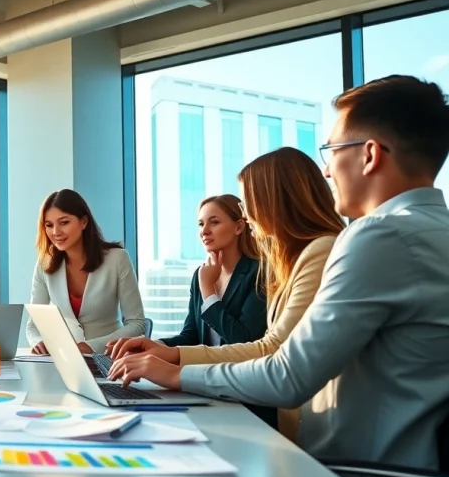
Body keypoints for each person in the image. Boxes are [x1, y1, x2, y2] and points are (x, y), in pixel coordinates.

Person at [110, 75, 449, 477]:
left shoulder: (380, 237)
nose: (326, 170)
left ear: (369, 155)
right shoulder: (430, 230)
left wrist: (175, 374)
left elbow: (287, 374)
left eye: (332, 153)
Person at [108, 147, 344, 438]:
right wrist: (166, 352)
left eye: (249, 203)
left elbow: (267, 348)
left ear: (274, 201)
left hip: (290, 419)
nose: (247, 214)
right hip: (273, 408)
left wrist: (175, 370)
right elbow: (194, 335)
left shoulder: (300, 259)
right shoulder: (288, 263)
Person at [26, 189, 146, 355]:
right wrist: (38, 341)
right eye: (49, 225)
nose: (56, 232)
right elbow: (33, 324)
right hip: (63, 360)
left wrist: (91, 346)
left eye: (64, 222)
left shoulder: (117, 259)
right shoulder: (44, 262)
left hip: (109, 359)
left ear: (83, 222)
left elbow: (137, 323)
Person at [157, 194, 267, 350]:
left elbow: (243, 341)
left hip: (239, 371)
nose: (204, 231)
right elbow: (191, 337)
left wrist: (208, 290)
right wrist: (156, 345)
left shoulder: (259, 273)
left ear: (239, 227)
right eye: (201, 224)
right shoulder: (200, 274)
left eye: (214, 222)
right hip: (205, 371)